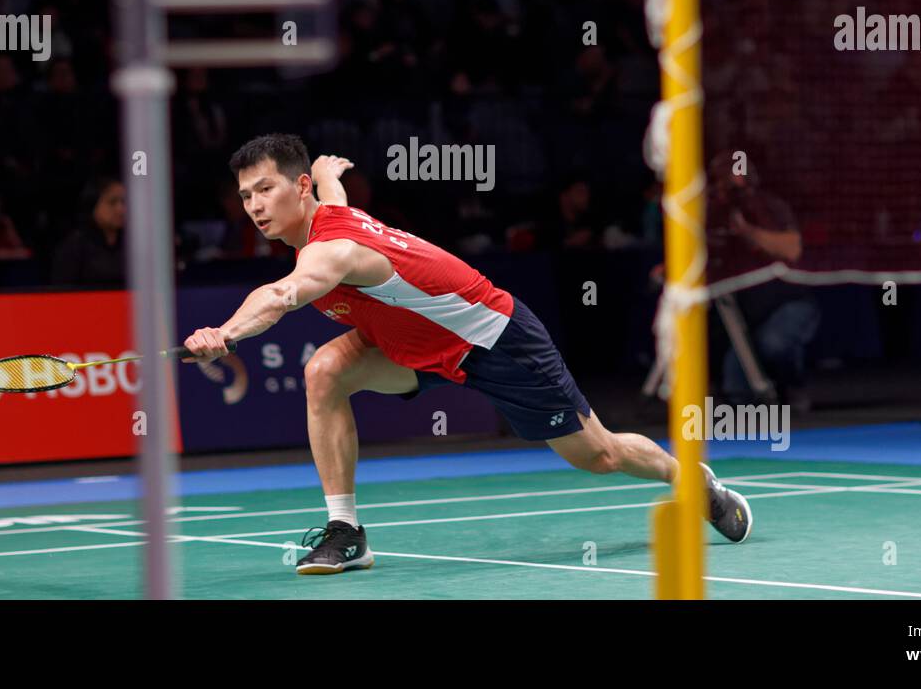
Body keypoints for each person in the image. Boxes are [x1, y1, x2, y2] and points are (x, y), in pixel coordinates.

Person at [184, 134, 752, 575]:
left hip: (494, 340)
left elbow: (282, 295)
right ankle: (346, 532)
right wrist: (332, 178)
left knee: (597, 455)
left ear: (299, 187)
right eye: (245, 196)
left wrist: (226, 333)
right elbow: (330, 205)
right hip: (410, 345)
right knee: (324, 371)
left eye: (265, 190)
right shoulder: (324, 214)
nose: (254, 206)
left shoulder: (332, 252)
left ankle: (689, 479)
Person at [705, 151, 820, 409]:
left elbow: (792, 249)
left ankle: (794, 385)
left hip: (787, 304)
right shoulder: (711, 211)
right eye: (721, 179)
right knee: (738, 392)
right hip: (742, 312)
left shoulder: (769, 206)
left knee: (774, 344)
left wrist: (746, 231)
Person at [51, 177, 126, 286]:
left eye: (123, 202)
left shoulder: (133, 243)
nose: (121, 209)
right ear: (92, 205)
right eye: (112, 202)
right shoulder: (75, 246)